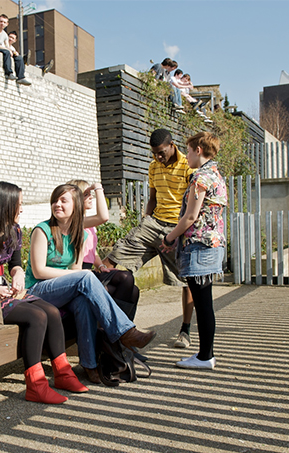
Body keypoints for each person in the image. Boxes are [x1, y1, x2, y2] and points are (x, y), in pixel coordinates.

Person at [0, 181, 88, 405]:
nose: (22, 209)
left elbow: (15, 264)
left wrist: (17, 274)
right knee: (37, 316)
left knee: (52, 312)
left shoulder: (14, 230)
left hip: (2, 295)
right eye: (19, 204)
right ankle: (36, 386)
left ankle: (63, 374)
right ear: (4, 205)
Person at [25, 184, 156, 384]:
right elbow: (38, 271)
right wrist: (73, 275)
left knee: (83, 303)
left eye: (63, 200)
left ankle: (90, 364)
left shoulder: (81, 234)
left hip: (61, 289)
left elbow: (76, 271)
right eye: (55, 200)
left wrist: (74, 276)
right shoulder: (42, 231)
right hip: (37, 291)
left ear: (76, 206)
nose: (57, 204)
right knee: (87, 277)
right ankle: (125, 332)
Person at [102, 129, 195, 349]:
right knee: (113, 256)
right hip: (153, 224)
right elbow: (152, 198)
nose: (157, 157)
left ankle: (185, 331)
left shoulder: (187, 167)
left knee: (187, 278)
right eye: (154, 153)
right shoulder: (153, 166)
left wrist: (181, 231)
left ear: (172, 145)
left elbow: (193, 204)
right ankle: (98, 318)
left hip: (177, 227)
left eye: (161, 153)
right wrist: (145, 220)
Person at [160, 132, 227, 370]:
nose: (186, 156)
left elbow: (190, 216)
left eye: (188, 151)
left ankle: (204, 356)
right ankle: (205, 354)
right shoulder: (217, 176)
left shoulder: (200, 177)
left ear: (199, 150)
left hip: (199, 247)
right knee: (205, 302)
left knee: (203, 303)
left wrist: (169, 238)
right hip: (213, 245)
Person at [69, 179, 140, 320]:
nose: (91, 197)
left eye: (91, 194)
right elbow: (103, 217)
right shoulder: (75, 222)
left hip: (91, 271)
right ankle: (116, 331)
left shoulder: (89, 224)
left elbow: (92, 251)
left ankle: (121, 334)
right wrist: (98, 188)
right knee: (125, 279)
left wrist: (101, 265)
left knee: (134, 290)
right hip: (81, 274)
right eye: (86, 194)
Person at [0, 15, 31, 85]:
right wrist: (7, 50)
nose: (2, 23)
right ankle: (8, 73)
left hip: (3, 50)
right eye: (1, 21)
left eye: (4, 22)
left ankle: (21, 77)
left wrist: (13, 52)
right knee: (7, 52)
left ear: (7, 24)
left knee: (19, 58)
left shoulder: (5, 35)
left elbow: (8, 46)